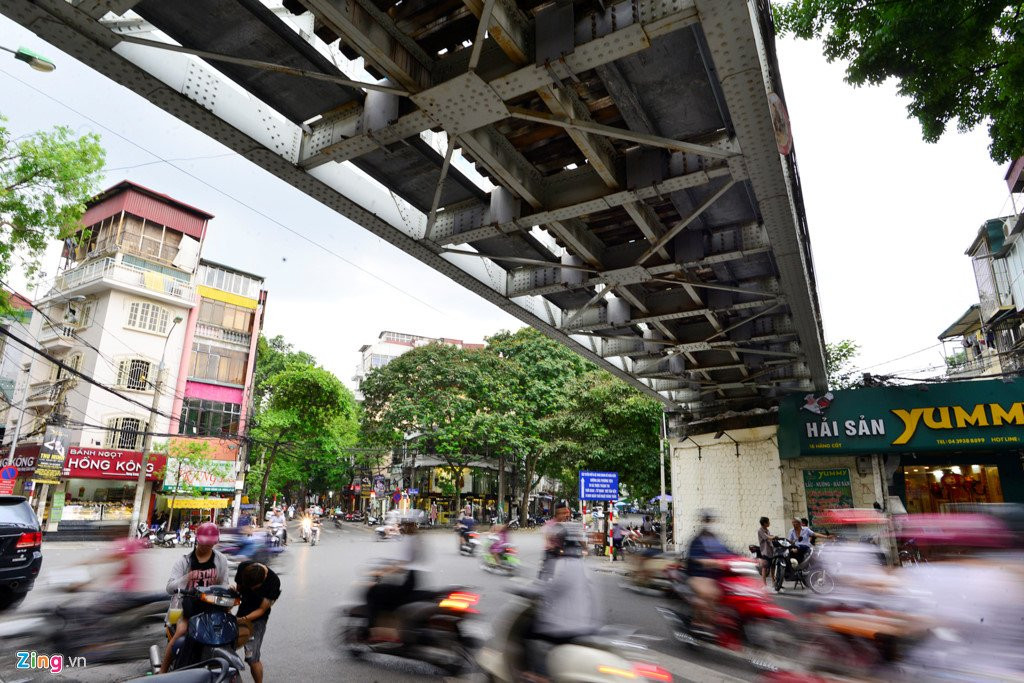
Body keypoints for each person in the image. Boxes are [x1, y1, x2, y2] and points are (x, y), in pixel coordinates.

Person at [524, 520, 600, 680]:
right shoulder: (582, 564)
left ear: (561, 543)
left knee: (528, 632)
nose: (550, 544)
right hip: (588, 624)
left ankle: (539, 675)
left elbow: (545, 589)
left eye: (553, 541)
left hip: (564, 626)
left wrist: (521, 590)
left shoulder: (561, 565)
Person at [160, 523, 230, 674]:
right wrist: (187, 577)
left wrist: (227, 591)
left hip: (211, 608)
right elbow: (169, 587)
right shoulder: (184, 561)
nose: (206, 546)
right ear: (197, 540)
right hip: (187, 609)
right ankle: (162, 672)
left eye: (210, 544)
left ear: (215, 542)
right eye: (203, 543)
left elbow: (224, 583)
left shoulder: (221, 560)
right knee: (181, 632)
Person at [365, 519, 423, 641]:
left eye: (401, 526)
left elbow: (401, 566)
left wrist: (381, 572)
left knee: (373, 592)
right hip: (413, 580)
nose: (398, 528)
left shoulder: (408, 540)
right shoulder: (417, 539)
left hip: (407, 582)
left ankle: (374, 631)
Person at [234, 561, 281, 683]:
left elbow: (261, 610)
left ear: (263, 580)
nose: (249, 589)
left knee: (252, 658)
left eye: (253, 588)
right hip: (241, 613)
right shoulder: (243, 567)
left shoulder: (273, 582)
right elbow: (238, 592)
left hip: (257, 620)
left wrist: (242, 620)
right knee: (223, 647)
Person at [686, 511, 731, 630]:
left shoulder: (717, 540)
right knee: (710, 593)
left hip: (715, 575)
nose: (710, 524)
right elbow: (695, 557)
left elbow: (729, 552)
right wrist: (710, 562)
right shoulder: (697, 540)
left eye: (711, 521)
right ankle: (700, 622)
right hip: (699, 574)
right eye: (707, 521)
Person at [541, 502, 571, 578]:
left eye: (566, 513)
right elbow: (546, 538)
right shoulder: (550, 524)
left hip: (564, 554)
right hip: (551, 553)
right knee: (548, 574)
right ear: (558, 513)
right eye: (563, 513)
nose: (565, 515)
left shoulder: (567, 525)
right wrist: (552, 547)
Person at [757, 517, 775, 587]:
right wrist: (773, 537)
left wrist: (773, 537)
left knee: (772, 566)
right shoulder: (760, 530)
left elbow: (770, 537)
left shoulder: (767, 530)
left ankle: (774, 581)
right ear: (764, 523)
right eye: (768, 522)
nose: (769, 523)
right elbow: (767, 537)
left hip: (770, 550)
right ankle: (764, 584)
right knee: (764, 567)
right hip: (765, 551)